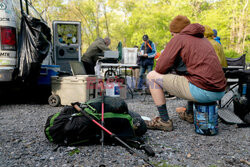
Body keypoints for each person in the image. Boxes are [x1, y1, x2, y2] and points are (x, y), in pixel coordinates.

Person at [145, 15, 227, 131]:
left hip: (203, 91)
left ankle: (164, 121)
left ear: (176, 32)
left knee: (151, 76)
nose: (172, 36)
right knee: (189, 75)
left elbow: (160, 68)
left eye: (172, 34)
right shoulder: (204, 40)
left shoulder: (179, 39)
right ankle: (189, 114)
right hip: (220, 91)